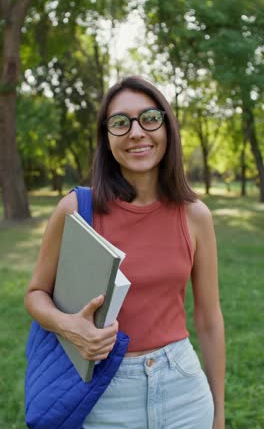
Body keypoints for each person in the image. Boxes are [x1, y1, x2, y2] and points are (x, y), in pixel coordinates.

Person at [25, 75, 225, 429]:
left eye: (149, 118)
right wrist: (70, 327)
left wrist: (218, 412)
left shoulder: (195, 215)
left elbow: (209, 320)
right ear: (106, 137)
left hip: (183, 387)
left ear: (167, 127)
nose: (136, 132)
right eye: (120, 123)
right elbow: (35, 294)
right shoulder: (75, 209)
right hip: (105, 392)